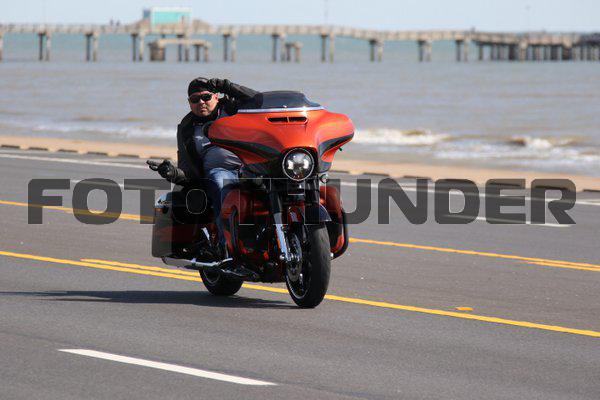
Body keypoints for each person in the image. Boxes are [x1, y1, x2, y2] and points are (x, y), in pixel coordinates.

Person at [148, 77, 259, 259]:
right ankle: (226, 247)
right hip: (219, 173)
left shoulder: (234, 109)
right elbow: (188, 170)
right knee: (221, 183)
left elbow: (259, 101)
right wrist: (172, 173)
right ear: (189, 103)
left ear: (216, 96)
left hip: (252, 165)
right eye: (195, 99)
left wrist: (227, 86)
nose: (201, 102)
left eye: (206, 97)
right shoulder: (187, 128)